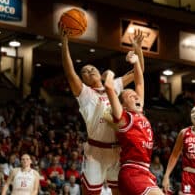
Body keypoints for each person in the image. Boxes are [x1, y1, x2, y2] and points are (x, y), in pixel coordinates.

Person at [59, 23, 144, 195]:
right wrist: (65, 43)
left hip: (117, 150)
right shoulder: (85, 94)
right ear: (83, 79)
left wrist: (138, 49)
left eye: (92, 68)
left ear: (99, 71)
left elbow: (139, 71)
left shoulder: (115, 85)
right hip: (95, 151)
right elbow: (70, 73)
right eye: (85, 71)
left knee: (120, 191)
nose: (89, 70)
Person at [104, 51, 164, 195]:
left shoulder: (139, 111)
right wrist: (109, 75)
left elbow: (139, 82)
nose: (136, 96)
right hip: (132, 171)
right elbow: (109, 87)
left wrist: (136, 61)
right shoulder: (124, 117)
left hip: (144, 171)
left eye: (136, 95)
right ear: (123, 105)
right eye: (130, 96)